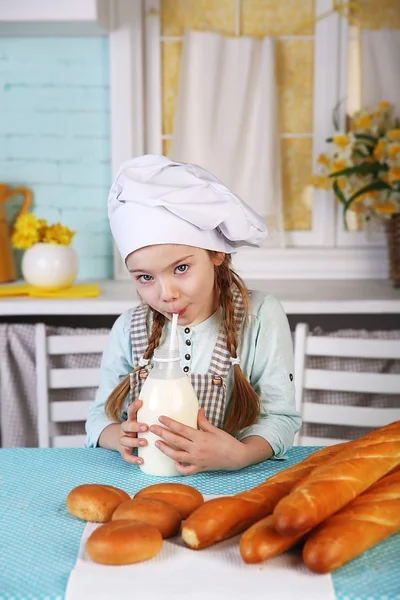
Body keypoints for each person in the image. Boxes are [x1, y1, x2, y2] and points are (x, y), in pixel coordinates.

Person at [85, 155, 301, 474]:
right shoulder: (128, 328)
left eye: (181, 268)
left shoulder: (261, 316)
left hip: (236, 483)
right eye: (145, 277)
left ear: (216, 254)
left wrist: (240, 454)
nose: (166, 293)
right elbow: (98, 417)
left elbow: (281, 418)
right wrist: (118, 435)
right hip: (146, 482)